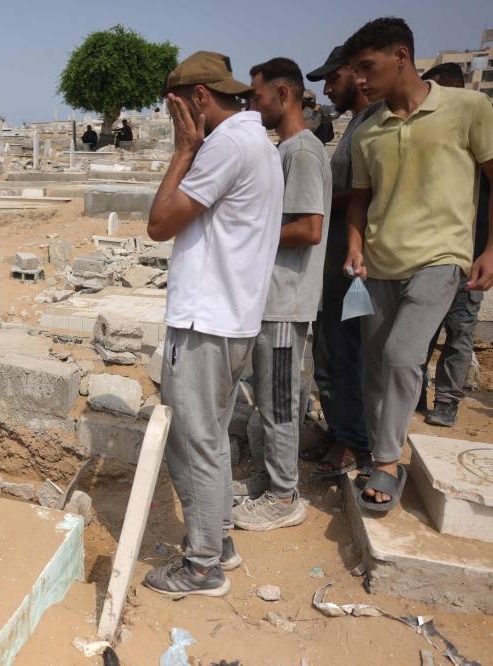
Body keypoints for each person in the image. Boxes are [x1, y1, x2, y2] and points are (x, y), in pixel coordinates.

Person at [141, 51, 283, 596]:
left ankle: (202, 567)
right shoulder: (255, 140)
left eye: (174, 109)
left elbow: (160, 223)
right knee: (212, 437)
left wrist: (184, 150)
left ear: (198, 98)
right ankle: (218, 540)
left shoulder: (224, 146)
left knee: (192, 440)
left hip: (206, 319)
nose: (173, 120)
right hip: (233, 317)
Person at [342, 18, 493, 511]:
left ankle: (388, 462)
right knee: (374, 367)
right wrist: (354, 245)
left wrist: (490, 250)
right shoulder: (368, 131)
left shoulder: (469, 108)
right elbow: (360, 200)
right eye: (355, 70)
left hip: (441, 258)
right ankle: (377, 451)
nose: (359, 79)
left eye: (367, 67)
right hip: (378, 265)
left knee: (402, 354)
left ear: (401, 56)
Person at [231, 58, 331, 531]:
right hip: (271, 300)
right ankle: (272, 478)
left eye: (257, 96)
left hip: (286, 304)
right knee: (270, 399)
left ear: (284, 95)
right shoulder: (286, 150)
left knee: (280, 402)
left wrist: (250, 230)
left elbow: (310, 229)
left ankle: (284, 496)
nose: (252, 106)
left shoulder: (303, 153)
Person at [305, 45, 381, 476]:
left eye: (333, 79)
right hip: (335, 264)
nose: (328, 90)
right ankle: (339, 431)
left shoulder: (377, 122)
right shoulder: (356, 122)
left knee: (349, 354)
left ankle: (356, 443)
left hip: (356, 267)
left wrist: (315, 203)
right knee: (331, 354)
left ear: (355, 73)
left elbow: (368, 193)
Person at [418, 63, 490, 427]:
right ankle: (414, 394)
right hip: (429, 256)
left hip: (470, 259)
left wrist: (488, 253)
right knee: (421, 332)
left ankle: (446, 401)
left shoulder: (480, 133)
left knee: (459, 334)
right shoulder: (437, 139)